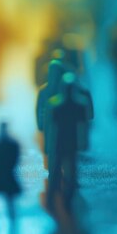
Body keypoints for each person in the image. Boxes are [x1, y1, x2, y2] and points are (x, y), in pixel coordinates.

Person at [48, 74, 90, 211]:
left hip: (60, 141)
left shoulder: (56, 105)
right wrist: (84, 142)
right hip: (72, 141)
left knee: (57, 169)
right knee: (71, 169)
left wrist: (49, 144)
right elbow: (83, 127)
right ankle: (68, 198)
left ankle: (52, 195)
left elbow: (52, 128)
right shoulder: (80, 105)